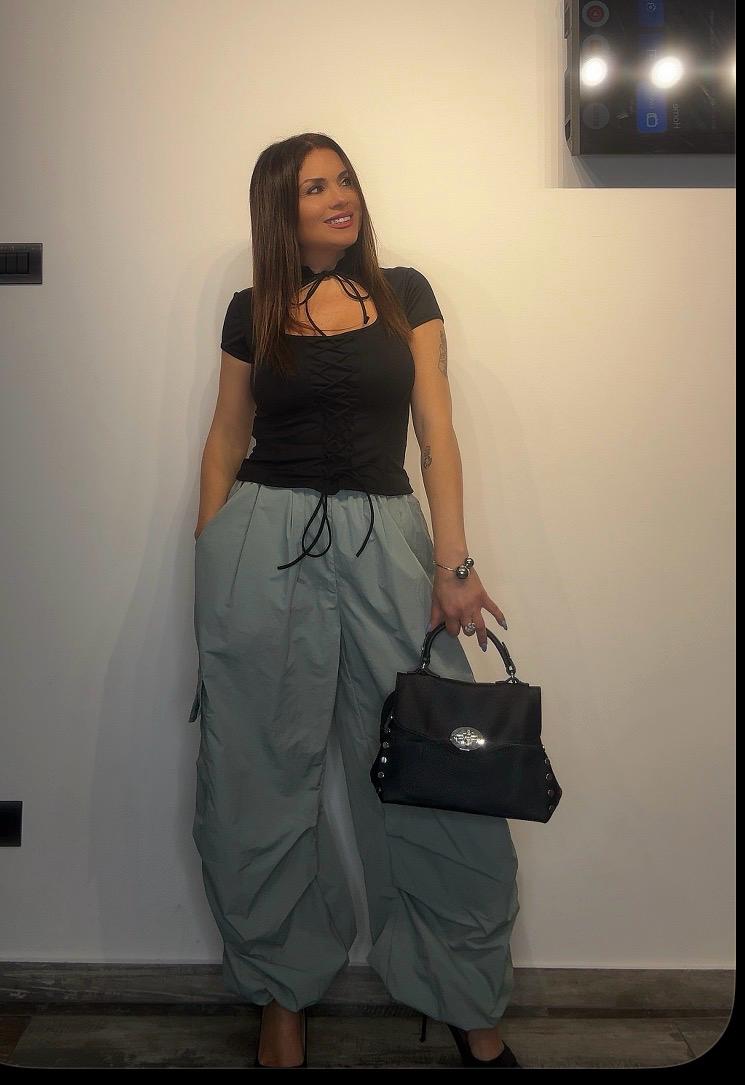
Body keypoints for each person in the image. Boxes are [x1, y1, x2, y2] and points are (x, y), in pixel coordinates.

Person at [189, 133, 520, 1068]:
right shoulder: (251, 310)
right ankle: (280, 992)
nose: (340, 196)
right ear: (279, 210)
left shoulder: (405, 293)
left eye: (344, 179)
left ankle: (463, 993)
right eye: (314, 187)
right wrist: (212, 555)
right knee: (255, 776)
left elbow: (436, 433)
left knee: (435, 763)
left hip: (386, 544)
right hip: (262, 546)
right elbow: (226, 439)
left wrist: (452, 561)